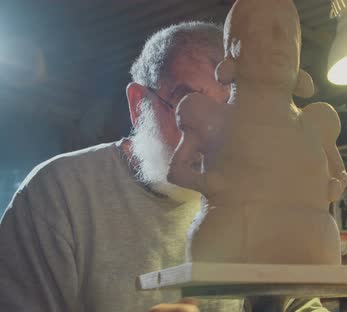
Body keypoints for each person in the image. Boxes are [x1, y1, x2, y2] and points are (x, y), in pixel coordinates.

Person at [0, 21, 328, 312]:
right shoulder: (58, 195)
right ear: (138, 104)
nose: (216, 139)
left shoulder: (258, 194)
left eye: (230, 115)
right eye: (189, 106)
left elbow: (296, 301)